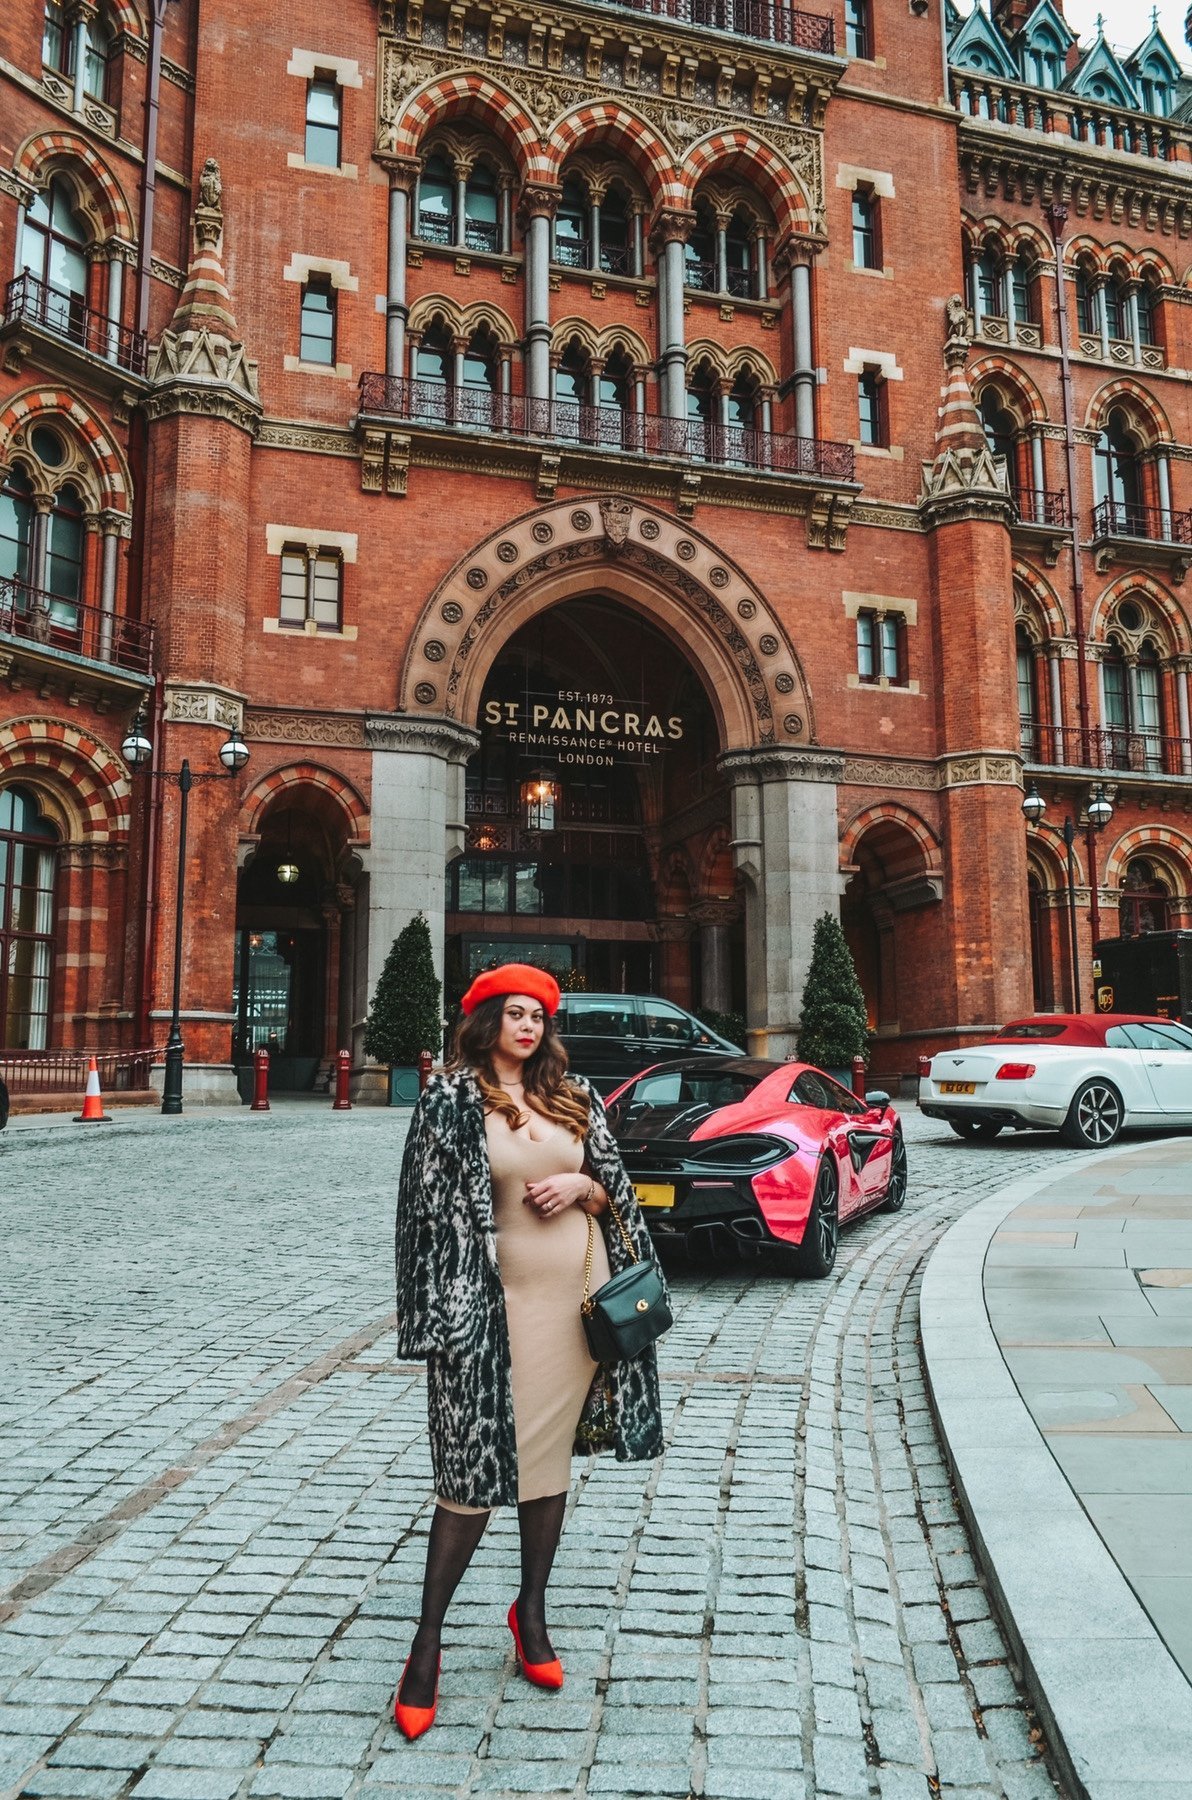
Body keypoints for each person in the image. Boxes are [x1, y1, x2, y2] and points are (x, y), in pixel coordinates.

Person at [392, 962, 665, 1739]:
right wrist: (431, 1324)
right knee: (469, 1478)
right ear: (484, 1020)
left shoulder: (572, 1098)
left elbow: (619, 1193)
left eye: (538, 1016)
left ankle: (531, 1615)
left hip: (575, 1311)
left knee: (545, 1468)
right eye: (514, 1013)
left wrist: (583, 1188)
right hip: (489, 1310)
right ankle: (426, 1644)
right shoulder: (449, 1097)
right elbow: (418, 1215)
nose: (528, 1027)